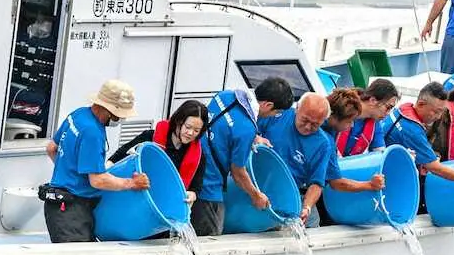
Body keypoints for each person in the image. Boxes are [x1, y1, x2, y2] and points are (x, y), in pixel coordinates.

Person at [41, 79, 149, 243]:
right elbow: (98, 180)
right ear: (108, 110)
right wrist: (132, 183)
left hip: (58, 204)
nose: (120, 120)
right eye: (119, 116)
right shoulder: (93, 133)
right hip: (71, 209)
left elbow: (51, 148)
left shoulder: (78, 114)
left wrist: (68, 172)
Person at [260, 92, 381, 227]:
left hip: (290, 193)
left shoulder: (324, 143)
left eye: (315, 124)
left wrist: (307, 207)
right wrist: (256, 138)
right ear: (297, 108)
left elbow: (317, 183)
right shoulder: (278, 114)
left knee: (312, 223)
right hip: (259, 182)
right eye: (305, 120)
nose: (307, 127)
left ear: (324, 118)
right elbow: (337, 183)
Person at [195, 78, 293, 236]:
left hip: (190, 173)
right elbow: (238, 172)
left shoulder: (225, 96)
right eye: (276, 112)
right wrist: (256, 195)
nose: (273, 116)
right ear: (267, 105)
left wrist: (254, 138)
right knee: (210, 237)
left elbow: (223, 127)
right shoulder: (246, 129)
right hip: (208, 187)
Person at [381, 81, 454, 191]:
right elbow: (435, 168)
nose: (438, 117)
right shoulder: (412, 130)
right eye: (436, 112)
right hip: (386, 177)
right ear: (421, 104)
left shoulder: (403, 109)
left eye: (441, 112)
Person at [110, 99, 209, 205]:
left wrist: (192, 194)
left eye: (196, 130)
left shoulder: (198, 154)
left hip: (165, 205)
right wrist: (105, 171)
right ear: (178, 121)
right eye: (188, 127)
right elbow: (119, 156)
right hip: (137, 198)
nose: (190, 133)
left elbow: (196, 186)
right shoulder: (150, 137)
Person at [331, 79, 399, 157]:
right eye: (388, 107)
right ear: (373, 100)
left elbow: (381, 155)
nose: (388, 113)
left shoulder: (375, 124)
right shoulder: (341, 108)